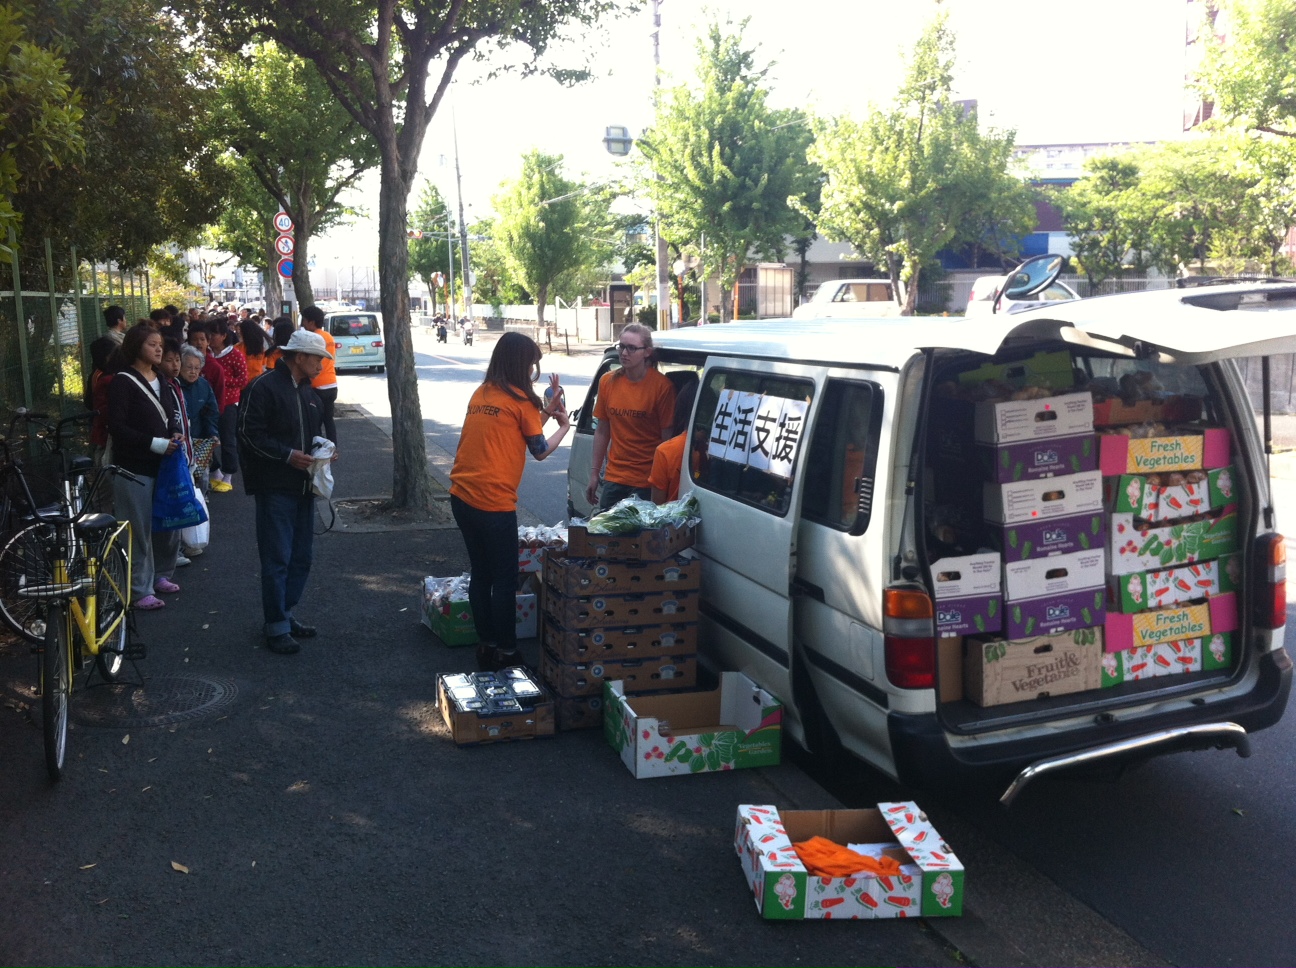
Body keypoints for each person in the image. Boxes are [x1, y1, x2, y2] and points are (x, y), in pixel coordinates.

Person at [450, 333, 570, 671]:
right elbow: (540, 449)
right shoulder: (520, 400)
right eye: (532, 363)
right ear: (521, 364)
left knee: (482, 575)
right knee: (504, 579)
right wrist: (564, 425)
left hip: (461, 496)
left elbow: (516, 431)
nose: (534, 369)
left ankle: (486, 645)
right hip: (493, 502)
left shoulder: (483, 393)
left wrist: (544, 410)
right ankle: (507, 651)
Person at [237, 329, 334, 655]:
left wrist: (323, 450)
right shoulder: (262, 387)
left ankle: (284, 614)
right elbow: (248, 435)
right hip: (275, 487)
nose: (322, 363)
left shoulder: (309, 392)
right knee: (277, 557)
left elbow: (314, 434)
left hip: (304, 487)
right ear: (301, 356)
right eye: (318, 357)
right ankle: (276, 623)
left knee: (301, 557)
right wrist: (287, 455)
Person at [105, 324, 186, 610]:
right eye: (153, 344)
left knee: (166, 524)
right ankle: (140, 589)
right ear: (137, 346)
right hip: (133, 467)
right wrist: (154, 443)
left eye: (160, 344)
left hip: (164, 466)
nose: (159, 349)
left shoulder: (161, 379)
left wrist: (175, 431)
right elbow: (116, 425)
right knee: (137, 530)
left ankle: (162, 574)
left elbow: (171, 414)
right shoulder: (123, 381)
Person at [585, 322, 677, 510]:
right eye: (622, 346)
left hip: (647, 482)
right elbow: (602, 430)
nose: (624, 353)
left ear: (647, 352)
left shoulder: (662, 387)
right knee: (605, 535)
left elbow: (667, 439)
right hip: (614, 478)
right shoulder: (607, 382)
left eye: (631, 348)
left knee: (639, 537)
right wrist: (594, 474)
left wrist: (662, 483)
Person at [208, 317, 247, 493]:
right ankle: (214, 471)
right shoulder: (206, 354)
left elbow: (243, 379)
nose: (209, 338)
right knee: (207, 438)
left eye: (213, 334)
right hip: (207, 403)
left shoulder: (235, 355)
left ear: (223, 336)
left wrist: (222, 380)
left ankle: (228, 474)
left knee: (228, 439)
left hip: (229, 403)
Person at [178, 344, 221, 497]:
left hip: (199, 439)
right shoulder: (173, 385)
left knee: (202, 477)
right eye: (189, 367)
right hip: (178, 440)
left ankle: (201, 502)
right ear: (180, 365)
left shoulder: (203, 385)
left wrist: (212, 433)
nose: (193, 371)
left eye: (197, 368)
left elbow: (211, 412)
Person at [649, 380, 698, 505]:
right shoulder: (720, 451)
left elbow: (657, 506)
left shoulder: (666, 451)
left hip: (673, 523)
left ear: (679, 408)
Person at [300, 306, 338, 445]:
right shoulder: (328, 336)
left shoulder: (313, 338)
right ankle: (332, 448)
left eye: (304, 320)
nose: (303, 324)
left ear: (311, 322)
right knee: (328, 420)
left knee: (314, 421)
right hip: (332, 383)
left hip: (317, 385)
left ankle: (317, 448)